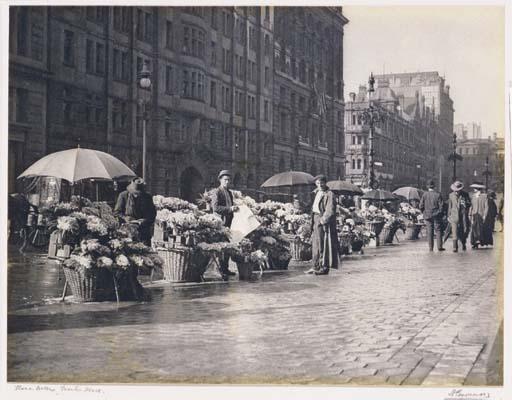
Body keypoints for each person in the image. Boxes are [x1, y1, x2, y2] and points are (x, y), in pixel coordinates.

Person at [305, 175, 340, 275]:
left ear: (325, 183)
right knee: (315, 244)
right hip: (315, 218)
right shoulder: (316, 193)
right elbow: (313, 206)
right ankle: (315, 266)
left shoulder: (329, 194)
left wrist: (323, 220)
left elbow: (330, 210)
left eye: (322, 183)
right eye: (318, 183)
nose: (320, 185)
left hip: (322, 220)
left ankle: (324, 267)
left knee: (323, 244)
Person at [210, 170, 239, 279]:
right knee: (220, 245)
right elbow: (215, 208)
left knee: (227, 245)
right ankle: (219, 269)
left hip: (229, 222)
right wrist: (230, 209)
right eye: (225, 180)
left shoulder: (229, 193)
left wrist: (235, 208)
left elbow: (230, 206)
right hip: (220, 222)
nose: (227, 182)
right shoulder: (217, 192)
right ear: (220, 180)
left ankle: (225, 268)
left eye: (228, 180)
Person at [114, 177, 156, 245]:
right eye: (135, 193)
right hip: (127, 232)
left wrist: (144, 220)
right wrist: (125, 217)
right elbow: (116, 212)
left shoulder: (147, 197)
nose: (136, 195)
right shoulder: (123, 195)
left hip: (143, 232)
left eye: (138, 193)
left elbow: (152, 214)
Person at [419, 179, 445, 252]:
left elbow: (421, 206)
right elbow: (442, 206)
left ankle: (431, 248)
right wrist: (439, 213)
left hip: (427, 215)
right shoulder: (438, 194)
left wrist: (424, 212)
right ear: (434, 186)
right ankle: (439, 246)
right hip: (437, 215)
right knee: (438, 231)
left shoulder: (424, 195)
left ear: (428, 187)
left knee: (430, 232)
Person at [446, 181, 471, 252]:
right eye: (455, 191)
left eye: (458, 191)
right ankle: (455, 247)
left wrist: (465, 204)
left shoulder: (465, 194)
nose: (456, 192)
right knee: (454, 231)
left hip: (463, 216)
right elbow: (450, 206)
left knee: (464, 230)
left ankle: (463, 243)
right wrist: (448, 216)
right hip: (454, 215)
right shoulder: (451, 195)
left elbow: (469, 204)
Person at [469, 182, 488, 249]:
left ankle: (479, 240)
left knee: (479, 228)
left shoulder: (484, 196)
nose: (474, 189)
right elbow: (471, 206)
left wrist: (484, 215)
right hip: (474, 214)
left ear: (478, 188)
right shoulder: (473, 196)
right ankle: (474, 242)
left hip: (481, 214)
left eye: (475, 188)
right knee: (474, 227)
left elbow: (486, 207)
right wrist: (470, 214)